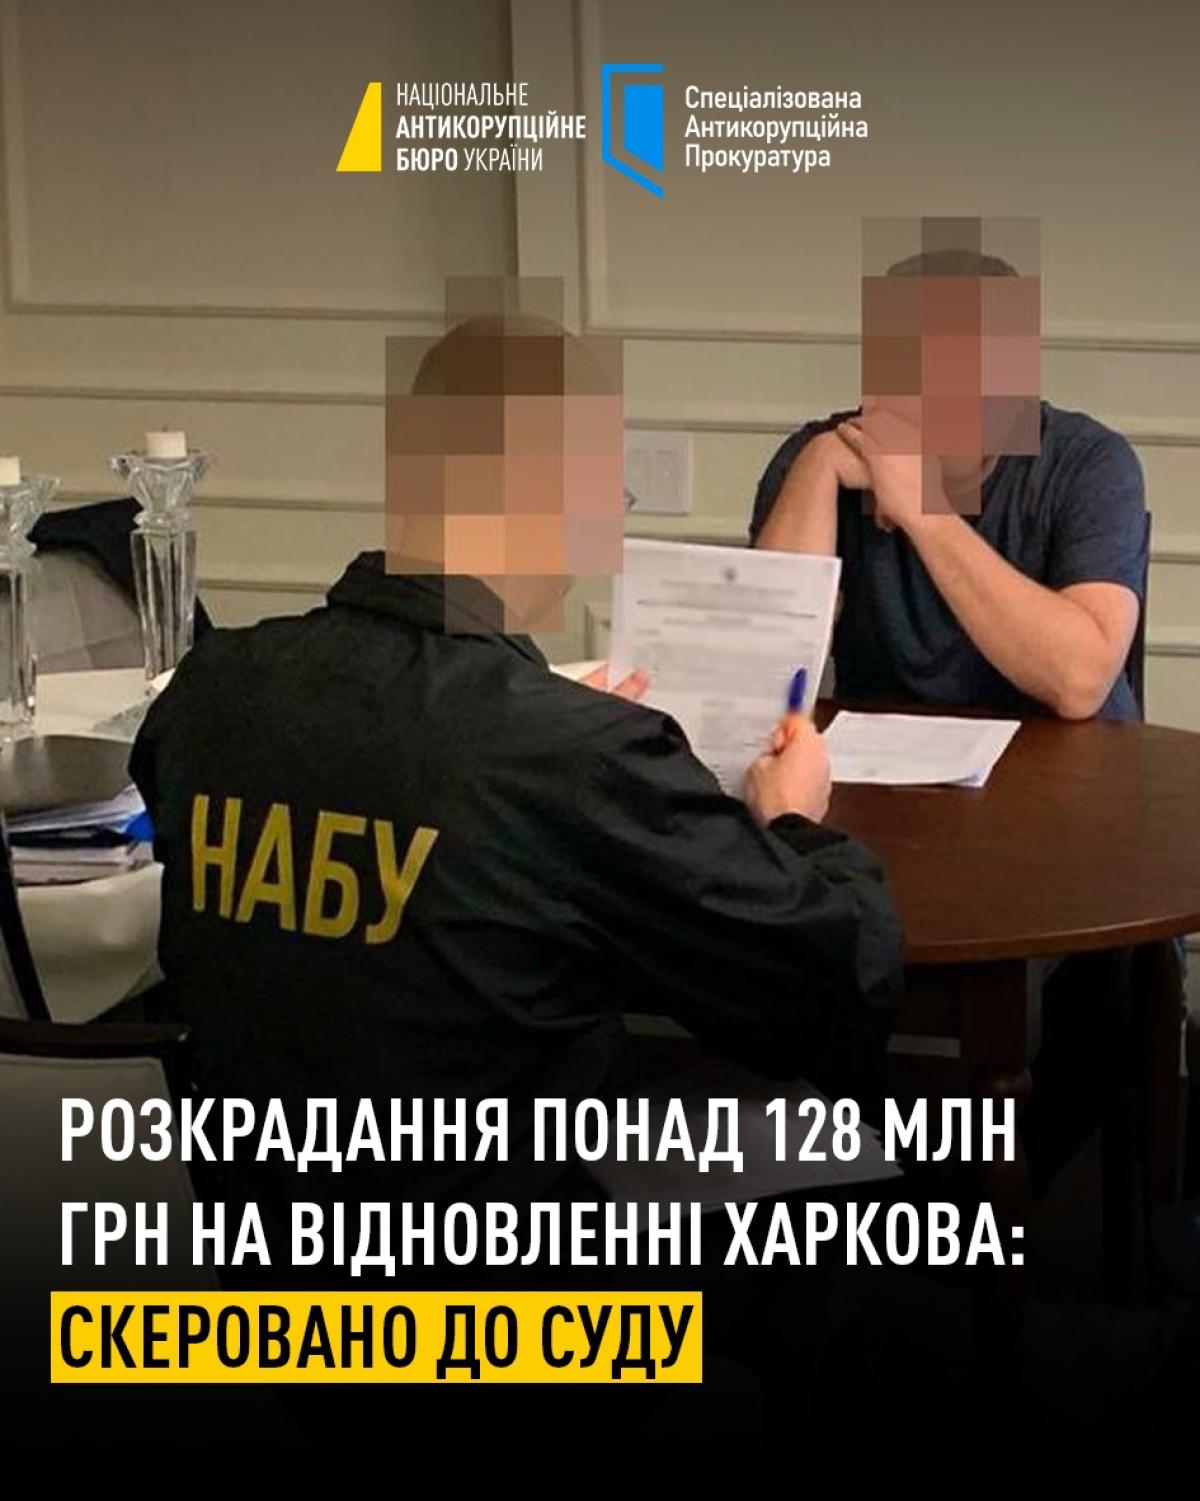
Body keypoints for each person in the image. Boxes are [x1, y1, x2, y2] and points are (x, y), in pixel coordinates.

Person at [129, 302, 902, 1293]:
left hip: (254, 1284)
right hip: (502, 1326)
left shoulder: (211, 692)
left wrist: (552, 722)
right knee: (849, 1188)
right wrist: (794, 815)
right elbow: (841, 983)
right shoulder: (567, 754)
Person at [748, 239, 1150, 1193]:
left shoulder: (1089, 464)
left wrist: (927, 512)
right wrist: (819, 470)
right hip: (897, 809)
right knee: (812, 942)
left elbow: (1079, 677)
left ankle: (1001, 1197)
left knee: (1116, 983)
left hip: (1075, 813)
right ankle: (891, 1181)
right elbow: (766, 665)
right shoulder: (824, 455)